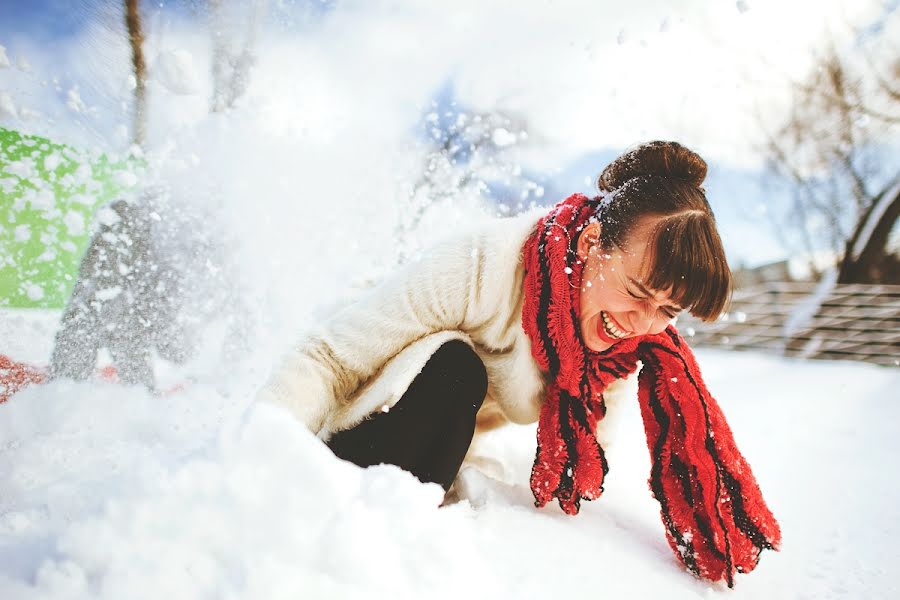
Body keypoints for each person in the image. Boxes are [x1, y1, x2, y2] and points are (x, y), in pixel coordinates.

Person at [255, 141, 781, 586]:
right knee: (457, 370)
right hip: (351, 420)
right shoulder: (481, 263)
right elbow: (326, 356)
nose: (642, 324)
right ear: (593, 240)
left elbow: (588, 457)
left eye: (667, 311)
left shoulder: (616, 352)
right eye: (636, 291)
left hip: (432, 454)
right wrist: (263, 452)